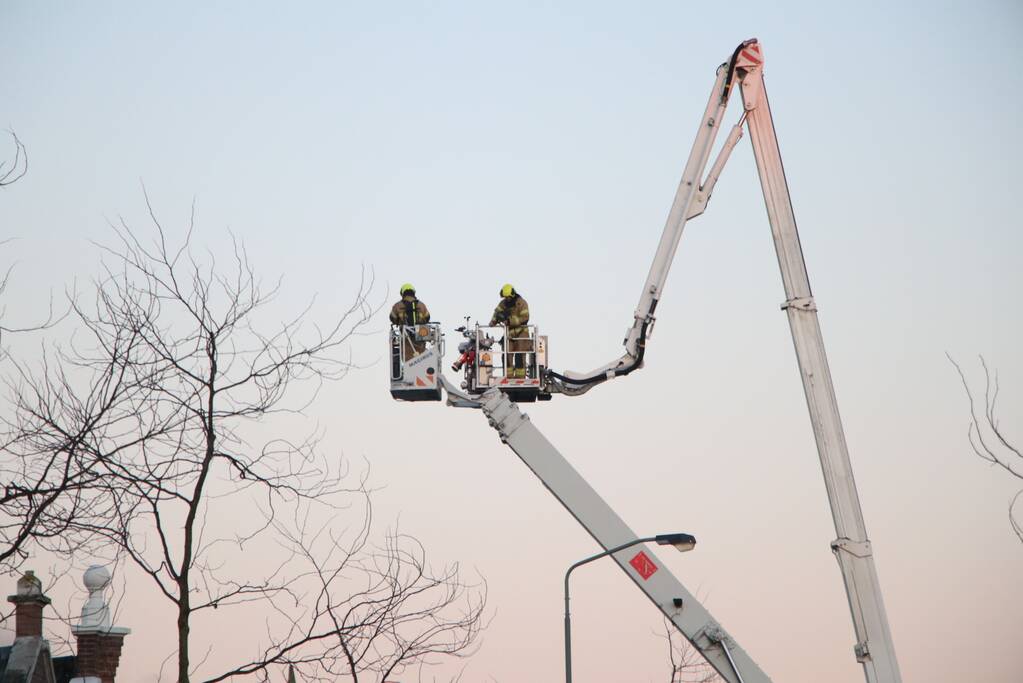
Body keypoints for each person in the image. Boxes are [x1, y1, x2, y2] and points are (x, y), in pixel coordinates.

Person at [490, 284, 531, 378]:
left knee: (519, 356)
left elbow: (525, 318)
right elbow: (497, 313)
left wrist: (509, 321)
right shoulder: (503, 304)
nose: (506, 299)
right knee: (506, 356)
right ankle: (508, 378)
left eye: (508, 297)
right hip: (509, 334)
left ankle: (520, 379)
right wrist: (493, 321)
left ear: (512, 295)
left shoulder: (521, 303)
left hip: (521, 333)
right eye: (505, 297)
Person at [390, 283, 431, 360]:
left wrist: (399, 321)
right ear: (413, 292)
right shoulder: (421, 305)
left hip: (406, 339)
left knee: (408, 361)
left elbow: (392, 318)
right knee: (421, 359)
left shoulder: (397, 305)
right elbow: (427, 317)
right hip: (421, 338)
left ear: (402, 293)